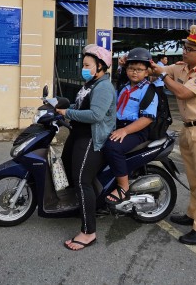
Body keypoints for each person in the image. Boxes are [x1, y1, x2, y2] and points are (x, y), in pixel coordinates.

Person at [150, 25, 196, 245]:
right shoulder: (182, 68)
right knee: (193, 178)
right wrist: (143, 64)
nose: (184, 51)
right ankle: (193, 214)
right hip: (189, 129)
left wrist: (164, 78)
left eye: (190, 49)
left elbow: (183, 93)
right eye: (184, 46)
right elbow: (160, 70)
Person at [56, 44, 116, 251]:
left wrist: (67, 114)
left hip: (92, 138)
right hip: (78, 134)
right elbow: (80, 107)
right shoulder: (90, 84)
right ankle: (79, 208)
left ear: (100, 66)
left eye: (87, 65)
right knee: (68, 170)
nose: (84, 68)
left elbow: (95, 115)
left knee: (82, 181)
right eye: (84, 64)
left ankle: (89, 232)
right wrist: (60, 108)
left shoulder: (104, 87)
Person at [103, 47, 158, 204]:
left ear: (147, 72)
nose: (135, 72)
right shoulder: (125, 86)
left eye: (140, 70)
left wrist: (125, 131)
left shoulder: (148, 91)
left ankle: (123, 188)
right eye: (132, 69)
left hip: (136, 129)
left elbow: (147, 119)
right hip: (118, 125)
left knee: (113, 147)